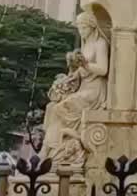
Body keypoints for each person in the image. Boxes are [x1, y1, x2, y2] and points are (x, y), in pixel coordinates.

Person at [40, 11, 109, 164]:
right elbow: (79, 73)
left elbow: (103, 70)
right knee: (51, 107)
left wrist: (85, 64)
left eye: (84, 27)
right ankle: (49, 148)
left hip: (94, 90)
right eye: (79, 27)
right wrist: (71, 70)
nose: (81, 31)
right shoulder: (85, 46)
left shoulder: (100, 44)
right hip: (83, 87)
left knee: (59, 108)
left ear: (92, 26)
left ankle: (51, 149)